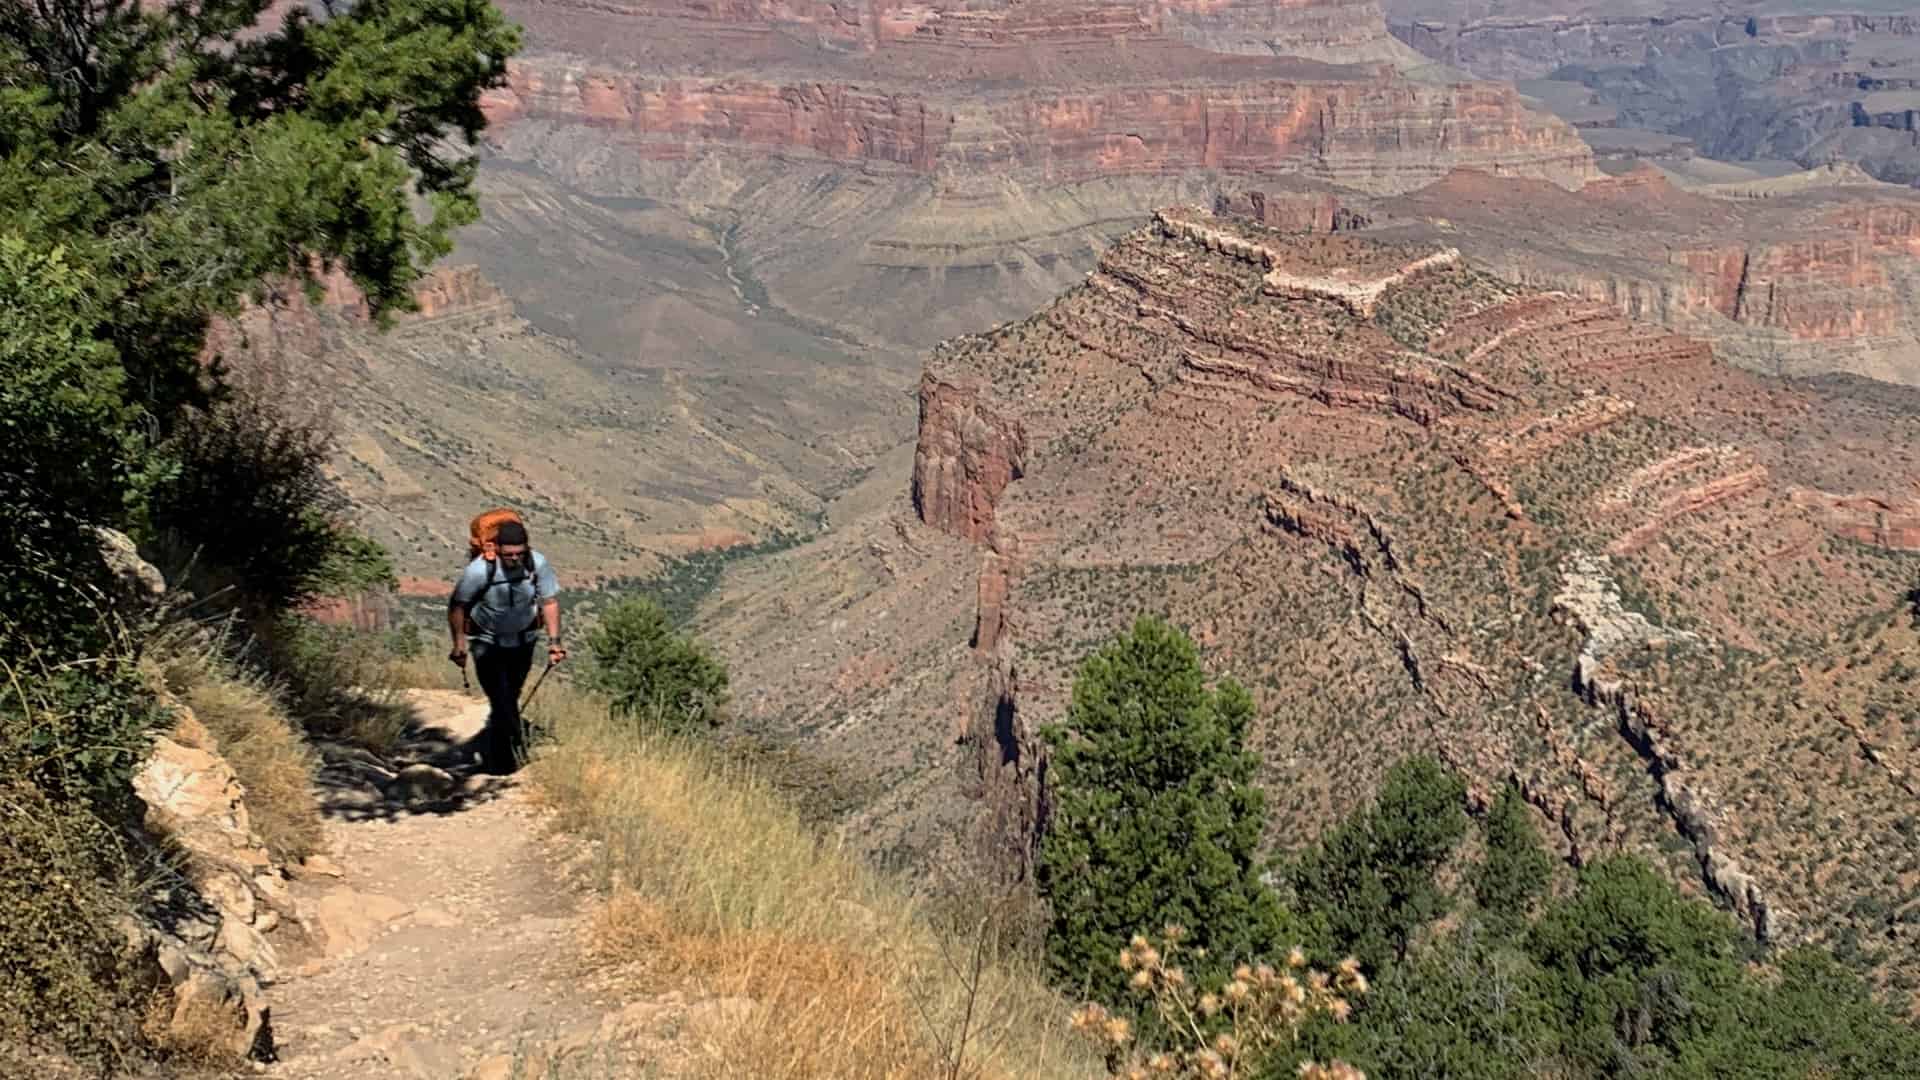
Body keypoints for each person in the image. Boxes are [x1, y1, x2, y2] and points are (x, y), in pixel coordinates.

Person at [447, 520, 565, 773]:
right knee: (500, 698)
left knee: (510, 694)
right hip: (486, 644)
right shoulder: (479, 571)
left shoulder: (537, 563)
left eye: (519, 554)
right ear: (496, 549)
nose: (514, 559)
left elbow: (549, 601)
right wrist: (459, 644)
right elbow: (458, 605)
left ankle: (499, 749)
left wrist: (555, 643)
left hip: (524, 642)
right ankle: (507, 761)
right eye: (509, 554)